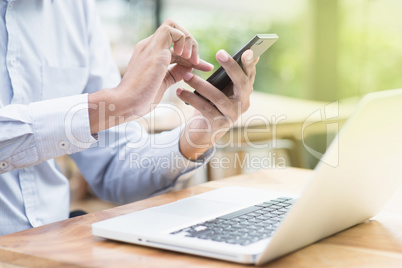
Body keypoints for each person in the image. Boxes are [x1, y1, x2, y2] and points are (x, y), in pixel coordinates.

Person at [0, 1, 257, 235]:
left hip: (54, 243)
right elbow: (118, 103)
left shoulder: (75, 9)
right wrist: (117, 102)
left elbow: (113, 165)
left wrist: (193, 139)